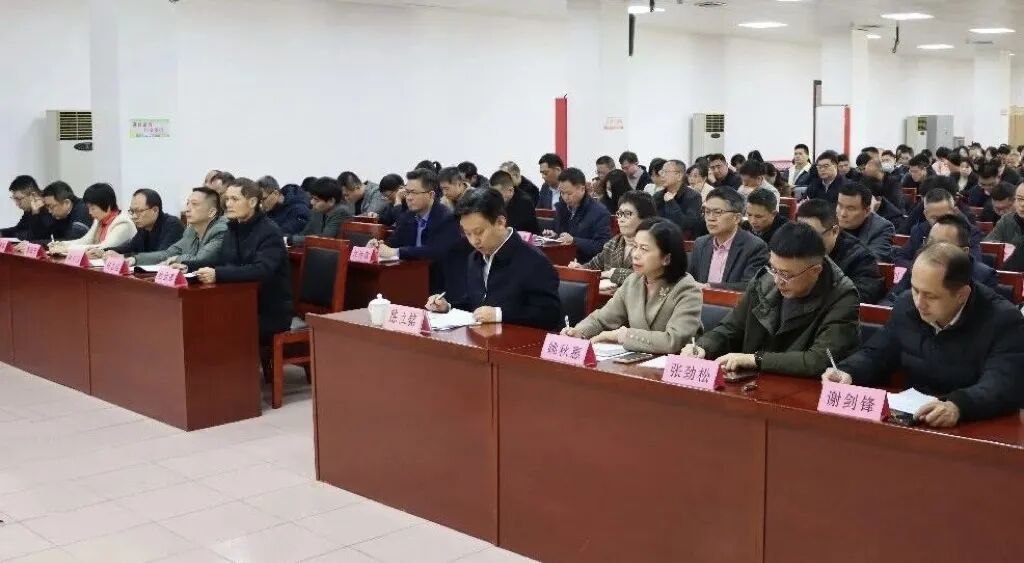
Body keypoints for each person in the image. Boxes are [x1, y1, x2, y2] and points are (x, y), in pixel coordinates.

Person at [824, 243, 1024, 426]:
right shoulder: (906, 305)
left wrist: (958, 406)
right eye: (915, 290)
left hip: (972, 427)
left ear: (962, 295)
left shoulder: (1004, 321)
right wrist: (848, 371)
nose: (919, 302)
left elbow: (1002, 384)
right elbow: (878, 353)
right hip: (913, 419)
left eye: (931, 296)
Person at [682, 222, 860, 377]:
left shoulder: (842, 296)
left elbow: (818, 360)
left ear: (815, 271)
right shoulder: (764, 280)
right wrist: (703, 347)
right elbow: (731, 328)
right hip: (752, 381)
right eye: (773, 269)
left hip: (803, 388)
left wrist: (756, 359)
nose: (777, 280)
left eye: (786, 275)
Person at [425, 188, 562, 331]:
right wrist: (447, 306)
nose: (474, 241)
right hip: (484, 338)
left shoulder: (534, 261)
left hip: (521, 341)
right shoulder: (474, 258)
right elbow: (477, 303)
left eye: (479, 232)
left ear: (500, 222)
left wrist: (500, 314)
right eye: (467, 234)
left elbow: (549, 315)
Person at [563, 218, 702, 353]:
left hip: (673, 364)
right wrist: (579, 332)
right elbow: (602, 319)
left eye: (644, 249)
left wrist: (624, 335)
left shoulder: (686, 289)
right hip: (638, 360)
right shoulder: (633, 281)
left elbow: (672, 341)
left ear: (666, 258)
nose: (635, 254)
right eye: (635, 246)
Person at [193, 178, 292, 347]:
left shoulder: (269, 231)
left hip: (267, 311)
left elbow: (262, 269)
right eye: (227, 199)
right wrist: (187, 266)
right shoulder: (233, 228)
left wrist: (218, 274)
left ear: (252, 202)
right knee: (200, 321)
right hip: (238, 303)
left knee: (218, 329)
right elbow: (221, 260)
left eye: (235, 199)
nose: (228, 204)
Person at [373, 168, 465, 296]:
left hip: (440, 287)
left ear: (431, 195)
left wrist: (397, 252)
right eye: (407, 192)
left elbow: (435, 251)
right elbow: (394, 242)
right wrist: (379, 246)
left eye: (414, 193)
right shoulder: (407, 217)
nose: (409, 198)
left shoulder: (446, 218)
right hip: (411, 279)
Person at [882, 213, 998, 306]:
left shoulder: (984, 276)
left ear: (964, 252)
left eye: (942, 245)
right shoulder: (919, 266)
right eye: (930, 242)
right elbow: (891, 299)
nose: (933, 249)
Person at [797, 199, 884, 303]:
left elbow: (861, 296)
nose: (806, 242)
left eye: (813, 236)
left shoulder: (860, 257)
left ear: (834, 231)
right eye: (801, 235)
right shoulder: (793, 246)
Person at [569, 190, 658, 288]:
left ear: (645, 218)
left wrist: (612, 273)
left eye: (627, 214)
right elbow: (592, 267)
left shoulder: (654, 245)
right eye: (619, 214)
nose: (621, 219)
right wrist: (580, 268)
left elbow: (647, 277)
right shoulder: (612, 243)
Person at [687, 187, 769, 290]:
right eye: (707, 212)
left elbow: (749, 287)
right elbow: (689, 279)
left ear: (737, 218)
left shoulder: (755, 247)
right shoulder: (700, 243)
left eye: (717, 212)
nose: (710, 218)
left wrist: (709, 288)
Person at [130, 187, 227, 269]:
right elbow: (168, 254)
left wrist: (177, 259)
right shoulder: (191, 231)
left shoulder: (221, 230)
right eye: (188, 203)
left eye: (195, 204)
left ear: (211, 212)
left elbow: (201, 260)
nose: (187, 209)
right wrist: (135, 259)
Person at [897, 188, 983, 268]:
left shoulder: (969, 232)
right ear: (926, 215)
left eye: (944, 217)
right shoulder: (919, 230)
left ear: (954, 212)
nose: (939, 222)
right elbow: (900, 259)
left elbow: (974, 264)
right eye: (934, 218)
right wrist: (924, 268)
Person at [542, 167, 612, 263]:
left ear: (582, 189)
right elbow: (559, 232)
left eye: (569, 193)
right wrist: (554, 236)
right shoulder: (561, 207)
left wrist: (574, 241)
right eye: (562, 193)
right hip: (561, 259)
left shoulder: (599, 212)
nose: (565, 197)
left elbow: (603, 246)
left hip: (585, 263)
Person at [49, 183, 136, 254]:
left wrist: (66, 249)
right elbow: (85, 241)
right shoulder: (99, 220)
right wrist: (61, 244)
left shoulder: (123, 223)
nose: (90, 212)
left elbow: (103, 247)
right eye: (88, 208)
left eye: (93, 208)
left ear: (108, 206)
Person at [98, 189, 184, 260]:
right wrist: (103, 251)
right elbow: (130, 247)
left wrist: (123, 257)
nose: (134, 216)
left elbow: (161, 256)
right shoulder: (144, 227)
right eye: (132, 211)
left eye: (139, 211)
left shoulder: (173, 225)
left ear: (155, 210)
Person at [836, 183, 894, 262]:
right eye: (840, 206)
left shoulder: (882, 228)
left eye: (850, 209)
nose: (843, 214)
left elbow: (872, 260)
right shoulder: (828, 221)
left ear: (867, 211)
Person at [289, 177, 353, 246]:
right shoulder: (318, 210)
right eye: (312, 198)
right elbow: (306, 232)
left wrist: (291, 240)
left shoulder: (341, 211)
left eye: (316, 199)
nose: (312, 202)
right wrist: (289, 239)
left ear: (331, 201)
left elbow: (325, 238)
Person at [22, 181, 90, 245]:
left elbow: (72, 242)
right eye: (47, 207)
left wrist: (32, 243)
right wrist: (35, 213)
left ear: (67, 203)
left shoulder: (83, 209)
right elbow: (39, 237)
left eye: (51, 206)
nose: (49, 211)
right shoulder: (58, 213)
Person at [653, 159, 704, 238]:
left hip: (683, 241)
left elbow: (687, 225)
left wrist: (671, 203)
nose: (662, 176)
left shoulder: (694, 197)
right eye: (661, 172)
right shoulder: (658, 196)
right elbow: (653, 221)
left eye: (665, 172)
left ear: (679, 176)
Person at [490, 170, 539, 234]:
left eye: (497, 194)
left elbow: (510, 230)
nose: (493, 197)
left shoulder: (524, 202)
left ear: (510, 191)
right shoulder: (494, 201)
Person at [2, 175, 48, 241]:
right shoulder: (29, 209)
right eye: (14, 199)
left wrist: (35, 213)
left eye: (19, 199)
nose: (17, 204)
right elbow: (19, 229)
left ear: (33, 195)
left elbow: (34, 237)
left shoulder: (51, 208)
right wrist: (1, 233)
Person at [984, 182, 1024, 247]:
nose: (1001, 213)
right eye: (1020, 199)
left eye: (1006, 208)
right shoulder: (1006, 220)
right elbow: (988, 244)